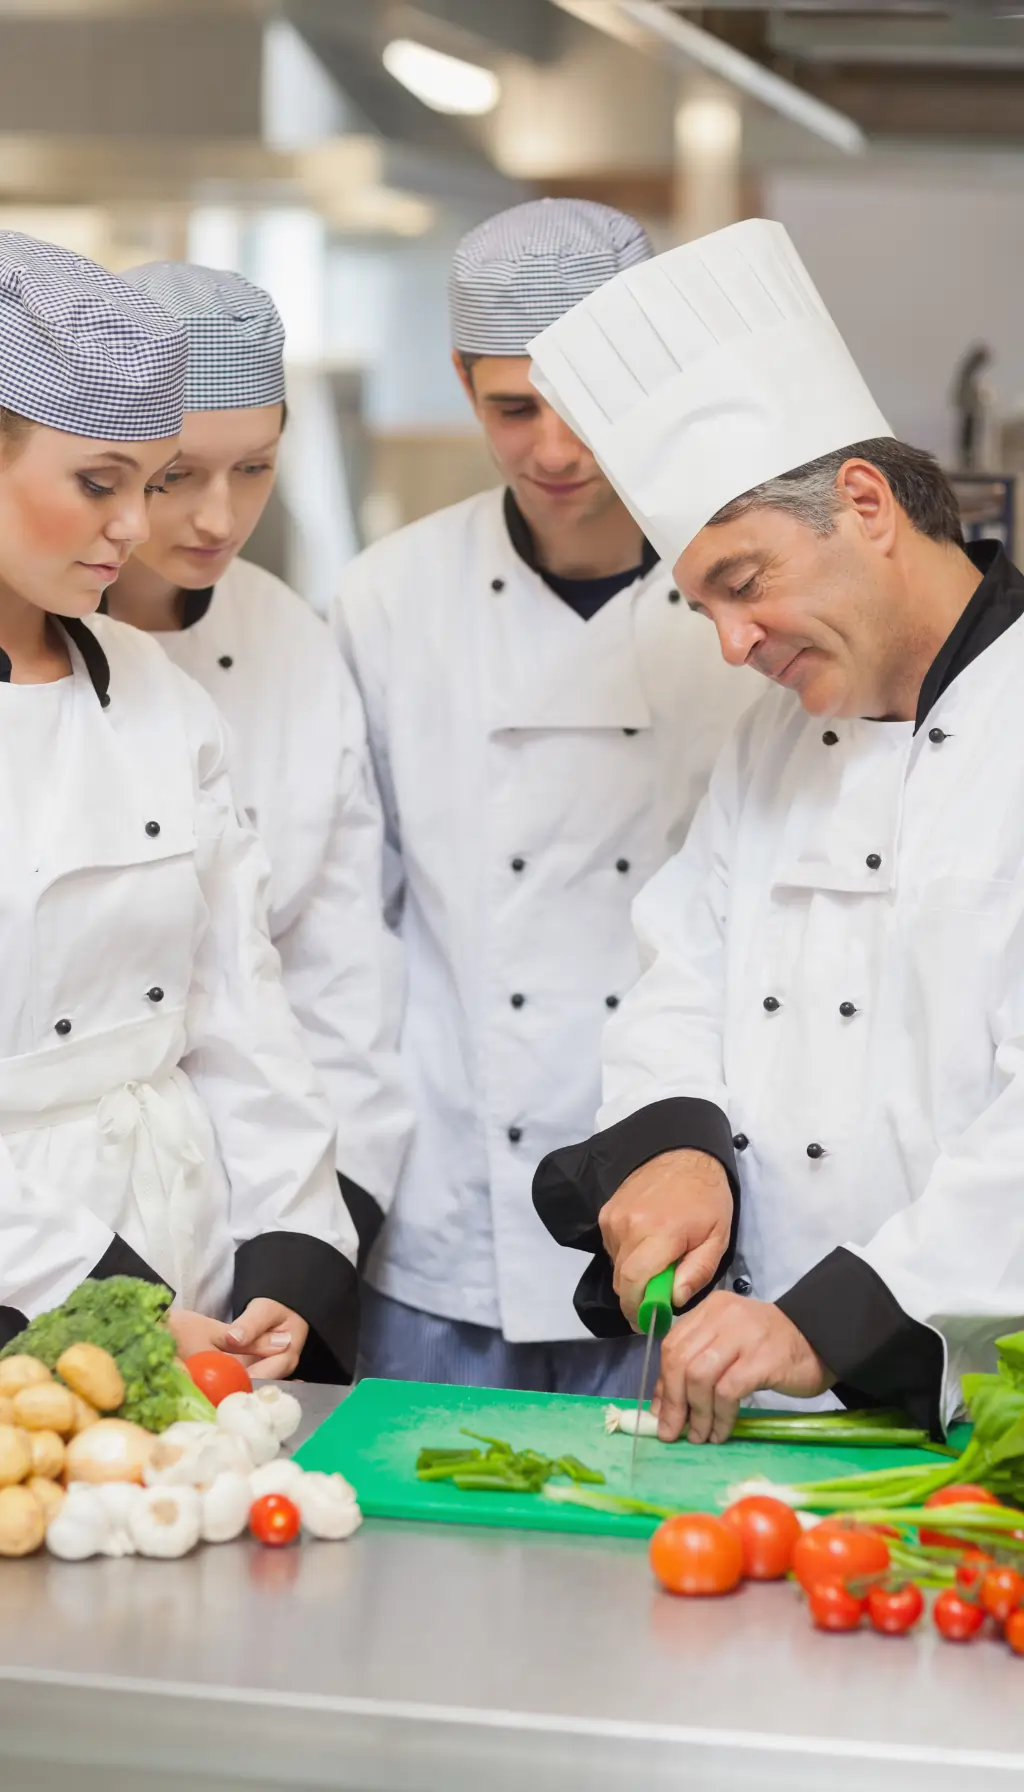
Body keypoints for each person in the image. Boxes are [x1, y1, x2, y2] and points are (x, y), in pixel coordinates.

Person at [529, 216, 1024, 1441]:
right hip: (778, 1406)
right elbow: (683, 971)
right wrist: (671, 1150)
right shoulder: (772, 739)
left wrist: (833, 1320)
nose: (732, 645)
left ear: (863, 503)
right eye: (701, 608)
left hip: (977, 1406)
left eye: (742, 585)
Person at [333, 199, 757, 1394]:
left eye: (587, 409)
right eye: (513, 407)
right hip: (451, 1212)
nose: (557, 451)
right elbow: (350, 922)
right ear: (463, 381)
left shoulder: (749, 602)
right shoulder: (389, 598)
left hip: (686, 1208)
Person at [0, 231, 359, 1380]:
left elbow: (239, 1007)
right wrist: (104, 1300)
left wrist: (292, 1253)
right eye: (100, 483)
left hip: (183, 1266)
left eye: (139, 483)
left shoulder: (157, 694)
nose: (135, 526)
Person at [106, 262, 412, 1268]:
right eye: (176, 474)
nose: (218, 519)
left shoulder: (288, 637)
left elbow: (336, 975)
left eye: (255, 468)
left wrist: (327, 1230)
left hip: (273, 1202)